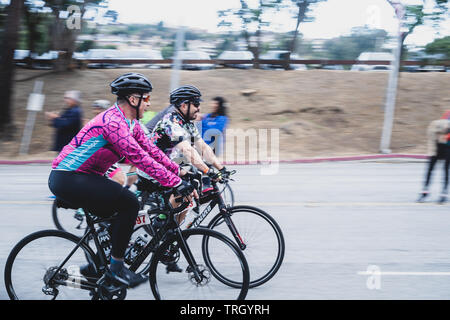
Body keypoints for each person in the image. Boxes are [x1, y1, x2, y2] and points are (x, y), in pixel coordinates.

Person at [48, 73, 195, 288]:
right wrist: (174, 183)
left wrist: (178, 173)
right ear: (133, 100)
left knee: (118, 213)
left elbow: (152, 151)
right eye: (146, 98)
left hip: (85, 177)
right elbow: (139, 158)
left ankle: (94, 267)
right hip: (68, 177)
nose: (149, 103)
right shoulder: (113, 122)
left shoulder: (132, 124)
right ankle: (116, 270)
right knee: (129, 202)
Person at [149, 85, 229, 196]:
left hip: (167, 164)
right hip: (152, 167)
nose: (199, 108)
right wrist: (208, 172)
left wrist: (221, 168)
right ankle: (166, 214)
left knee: (192, 188)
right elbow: (187, 150)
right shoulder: (172, 122)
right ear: (184, 106)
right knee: (186, 191)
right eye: (196, 104)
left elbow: (203, 147)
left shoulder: (187, 123)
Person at [417, 113, 450, 204]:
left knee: (444, 170)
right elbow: (432, 132)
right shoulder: (447, 115)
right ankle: (425, 192)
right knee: (431, 170)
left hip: (447, 147)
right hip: (437, 146)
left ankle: (443, 194)